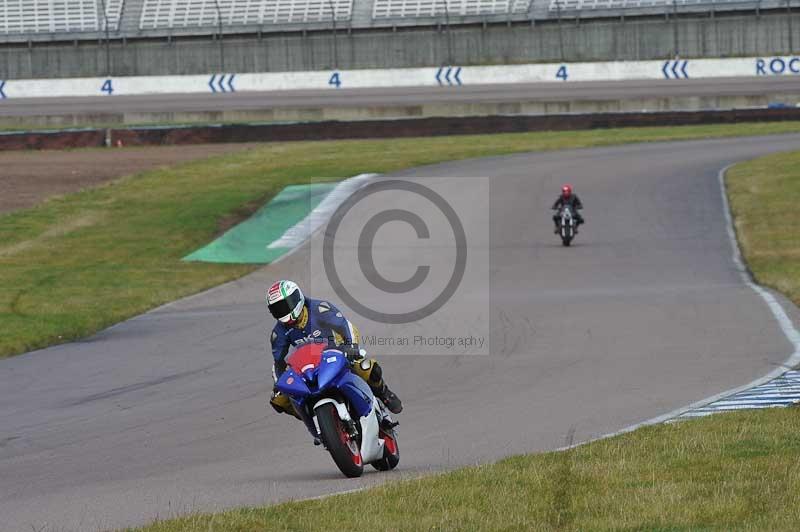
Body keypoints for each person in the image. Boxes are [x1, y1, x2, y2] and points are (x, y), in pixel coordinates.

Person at [267, 280, 403, 423]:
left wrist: (352, 348)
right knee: (279, 400)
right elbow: (278, 362)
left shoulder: (320, 309)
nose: (282, 311)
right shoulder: (278, 333)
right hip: (308, 367)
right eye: (277, 309)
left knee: (367, 367)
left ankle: (384, 394)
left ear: (297, 298)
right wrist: (279, 383)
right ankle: (314, 420)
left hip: (336, 353)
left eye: (284, 305)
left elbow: (346, 327)